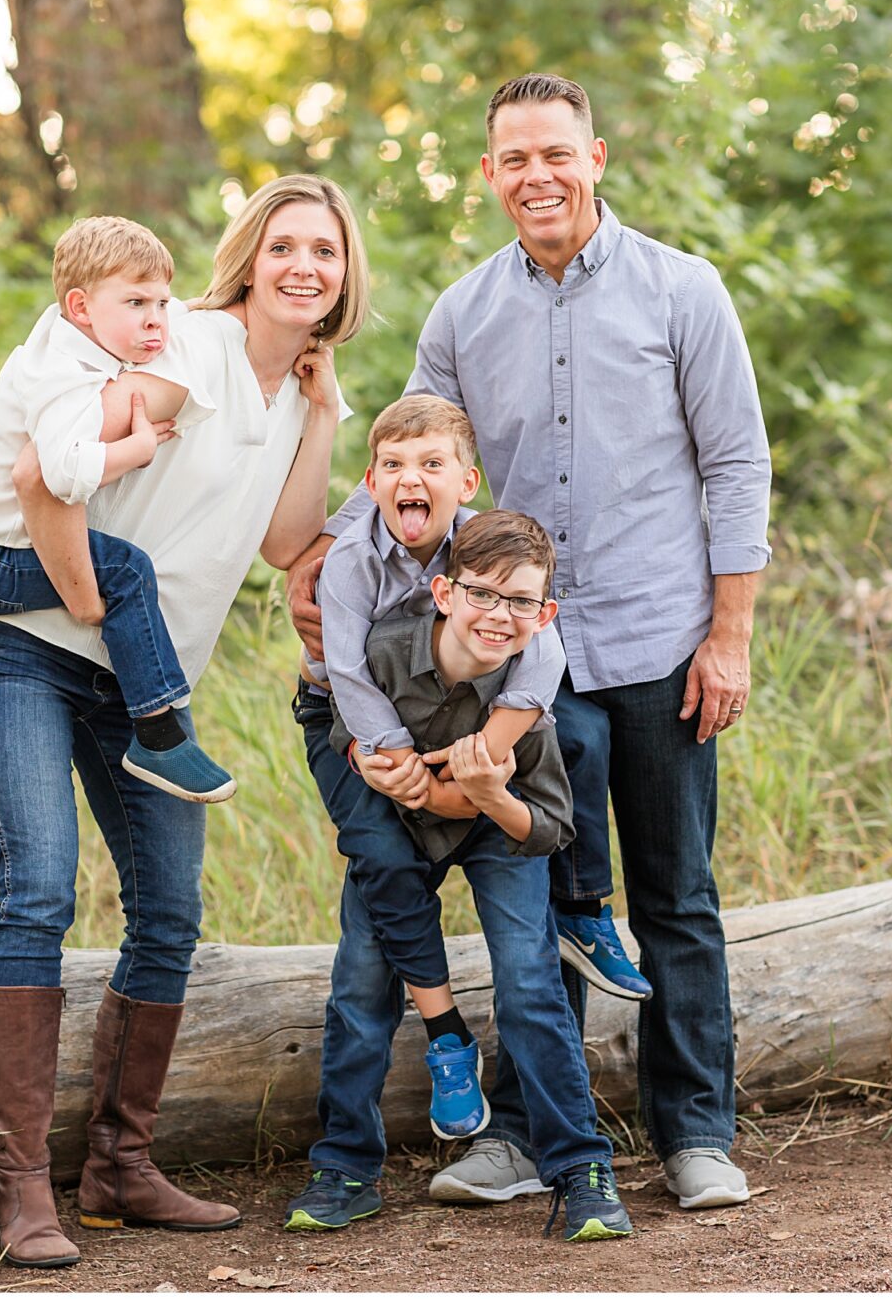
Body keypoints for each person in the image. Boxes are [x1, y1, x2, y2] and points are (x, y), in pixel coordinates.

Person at [288, 72, 772, 1212]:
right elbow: (415, 463)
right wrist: (331, 552)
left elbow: (737, 464)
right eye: (513, 159)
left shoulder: (680, 290)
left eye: (555, 153)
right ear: (491, 173)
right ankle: (518, 1136)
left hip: (657, 643)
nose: (536, 176)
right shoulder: (462, 313)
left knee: (671, 896)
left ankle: (694, 1131)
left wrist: (730, 634)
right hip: (510, 664)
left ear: (594, 159)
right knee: (530, 901)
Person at [0, 175, 369, 1268]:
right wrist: (82, 598)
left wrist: (321, 409)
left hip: (142, 680)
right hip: (28, 645)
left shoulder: (291, 390)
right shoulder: (194, 348)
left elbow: (285, 541)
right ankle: (22, 1186)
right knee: (38, 887)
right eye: (283, 248)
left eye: (325, 250)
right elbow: (45, 469)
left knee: (168, 909)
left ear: (344, 273)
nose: (304, 267)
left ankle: (120, 1168)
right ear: (249, 261)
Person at [285, 510, 633, 1243]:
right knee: (359, 982)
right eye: (483, 594)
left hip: (494, 831)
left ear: (546, 616)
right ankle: (345, 1164)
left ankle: (581, 1170)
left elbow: (548, 831)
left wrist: (487, 795)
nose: (499, 616)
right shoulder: (381, 656)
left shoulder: (528, 707)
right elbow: (347, 734)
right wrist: (392, 773)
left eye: (521, 603)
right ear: (443, 592)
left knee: (530, 983)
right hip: (400, 826)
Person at [307, 392, 577, 1139]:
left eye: (431, 463)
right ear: (369, 482)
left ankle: (587, 906)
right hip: (356, 717)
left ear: (467, 482)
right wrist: (389, 758)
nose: (409, 478)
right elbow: (347, 673)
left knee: (575, 739)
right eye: (391, 464)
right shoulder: (354, 558)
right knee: (383, 872)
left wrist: (479, 764)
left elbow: (542, 648)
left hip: (470, 721)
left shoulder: (485, 553)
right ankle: (423, 1061)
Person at [0, 216, 236, 803]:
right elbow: (58, 472)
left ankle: (155, 729)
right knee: (127, 570)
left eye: (160, 301)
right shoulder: (61, 376)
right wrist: (133, 449)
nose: (156, 319)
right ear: (81, 305)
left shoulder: (79, 333)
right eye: (136, 303)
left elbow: (172, 313)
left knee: (122, 569)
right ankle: (159, 737)